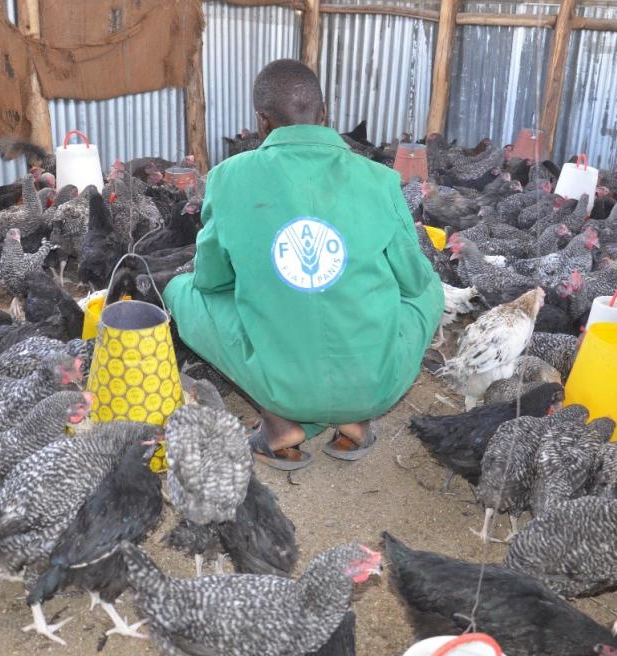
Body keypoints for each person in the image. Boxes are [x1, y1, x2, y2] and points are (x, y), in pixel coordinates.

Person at [163, 59, 442, 470]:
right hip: (374, 385)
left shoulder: (227, 178)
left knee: (184, 291)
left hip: (281, 385)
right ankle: (356, 417)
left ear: (261, 122)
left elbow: (212, 279)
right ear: (324, 112)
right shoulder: (380, 180)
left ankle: (280, 424)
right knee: (430, 289)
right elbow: (413, 280)